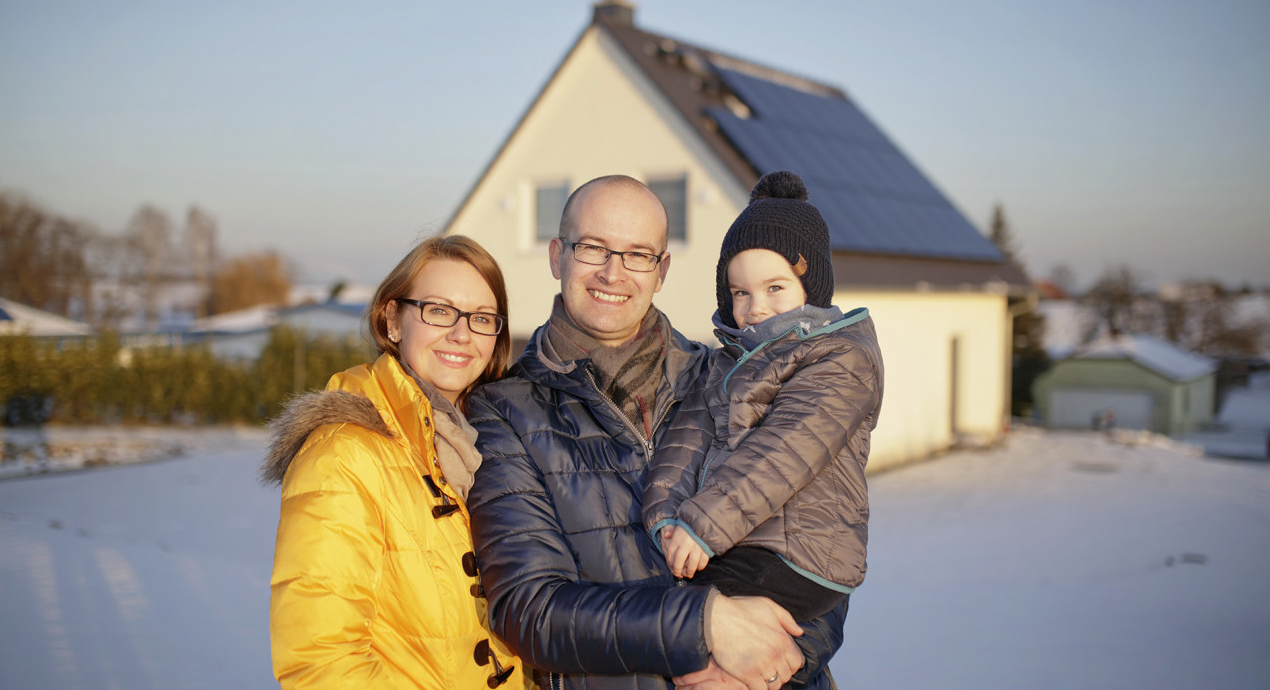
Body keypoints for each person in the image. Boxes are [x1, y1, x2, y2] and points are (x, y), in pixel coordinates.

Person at [466, 175, 846, 690]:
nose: (612, 272)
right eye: (592, 247)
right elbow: (531, 611)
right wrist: (704, 621)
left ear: (661, 270)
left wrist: (783, 658)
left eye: (637, 254)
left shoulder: (730, 378)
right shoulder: (504, 412)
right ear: (558, 256)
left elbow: (820, 540)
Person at [261, 235, 525, 690]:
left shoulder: (494, 443)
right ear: (393, 319)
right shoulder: (343, 454)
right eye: (439, 311)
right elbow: (321, 662)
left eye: (481, 318)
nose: (462, 334)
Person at [642, 170, 884, 626]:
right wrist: (666, 518)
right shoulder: (725, 362)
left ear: (810, 286)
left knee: (681, 625)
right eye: (740, 292)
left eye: (775, 288)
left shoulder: (841, 359)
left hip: (799, 555)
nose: (755, 307)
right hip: (729, 539)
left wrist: (701, 524)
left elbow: (785, 450)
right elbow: (685, 442)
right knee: (665, 622)